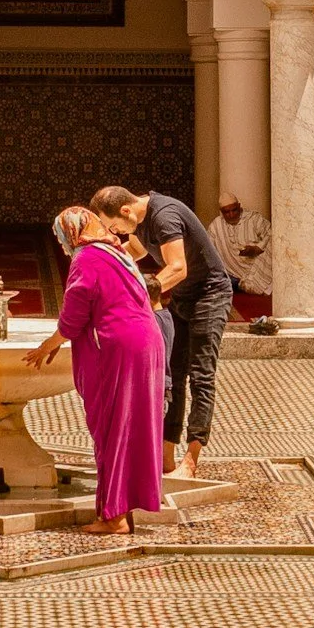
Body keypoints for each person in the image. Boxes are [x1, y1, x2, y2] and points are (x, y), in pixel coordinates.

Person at [24, 205, 167, 534]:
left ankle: (113, 517)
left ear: (71, 233)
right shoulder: (117, 251)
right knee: (133, 429)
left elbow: (76, 310)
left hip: (117, 349)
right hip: (145, 344)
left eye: (62, 237)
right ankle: (123, 509)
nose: (62, 244)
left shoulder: (87, 257)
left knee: (113, 430)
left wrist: (50, 343)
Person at [91, 182, 234, 478]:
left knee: (201, 374)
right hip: (183, 297)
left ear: (126, 210)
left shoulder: (164, 215)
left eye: (113, 225)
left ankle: (191, 461)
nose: (115, 231)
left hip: (210, 296)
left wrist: (135, 292)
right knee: (172, 375)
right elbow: (134, 250)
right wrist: (103, 266)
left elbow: (177, 267)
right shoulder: (140, 221)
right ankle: (166, 456)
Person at [208, 192, 276, 330]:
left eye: (234, 210)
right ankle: (240, 284)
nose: (232, 215)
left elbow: (271, 233)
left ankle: (244, 284)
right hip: (234, 270)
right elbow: (208, 249)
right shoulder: (216, 226)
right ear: (222, 212)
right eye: (227, 212)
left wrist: (257, 248)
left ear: (239, 207)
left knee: (277, 242)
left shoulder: (253, 219)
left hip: (258, 262)